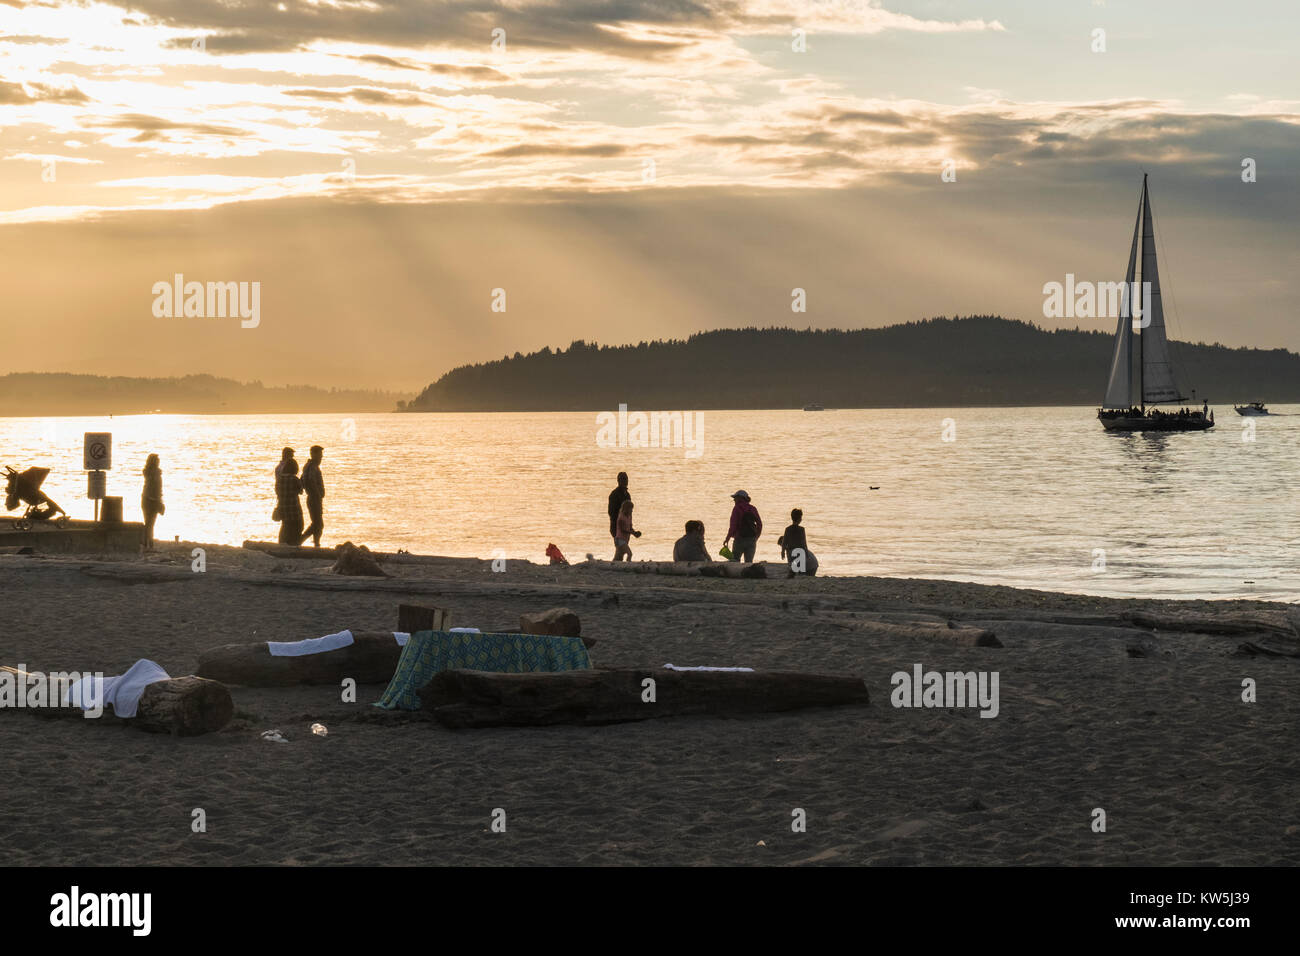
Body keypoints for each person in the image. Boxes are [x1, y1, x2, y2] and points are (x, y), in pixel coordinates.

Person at [274, 447, 304, 545]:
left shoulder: (279, 477)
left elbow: (277, 490)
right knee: (297, 526)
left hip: (283, 504)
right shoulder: (294, 479)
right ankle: (294, 543)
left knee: (285, 526)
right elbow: (301, 491)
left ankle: (282, 544)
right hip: (294, 507)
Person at [723, 490, 762, 563]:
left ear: (740, 498)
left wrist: (727, 538)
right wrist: (756, 536)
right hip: (751, 539)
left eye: (735, 498)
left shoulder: (736, 509)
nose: (734, 500)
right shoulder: (752, 508)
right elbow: (759, 524)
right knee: (749, 562)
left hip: (739, 539)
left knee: (735, 560)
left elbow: (733, 526)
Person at [779, 508, 818, 576]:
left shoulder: (788, 529)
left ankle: (793, 574)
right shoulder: (801, 529)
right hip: (800, 552)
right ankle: (798, 575)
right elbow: (803, 543)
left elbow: (784, 542)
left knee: (794, 569)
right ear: (800, 519)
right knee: (801, 571)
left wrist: (782, 552)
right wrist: (806, 552)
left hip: (792, 552)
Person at [299, 445, 325, 548]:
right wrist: (317, 494)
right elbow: (310, 481)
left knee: (317, 523)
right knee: (318, 523)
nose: (321, 458)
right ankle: (302, 540)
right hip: (314, 498)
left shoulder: (309, 466)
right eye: (319, 455)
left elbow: (302, 480)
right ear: (313, 454)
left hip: (314, 498)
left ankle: (315, 543)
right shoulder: (311, 467)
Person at [140, 454, 164, 550]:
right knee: (150, 523)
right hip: (150, 500)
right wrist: (158, 500)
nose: (159, 462)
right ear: (154, 462)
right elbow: (153, 488)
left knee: (150, 523)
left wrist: (159, 500)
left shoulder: (151, 473)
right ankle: (148, 544)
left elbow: (157, 489)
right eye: (157, 460)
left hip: (149, 499)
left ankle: (148, 543)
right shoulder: (152, 474)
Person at [607, 472, 630, 540]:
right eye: (622, 479)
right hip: (617, 527)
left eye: (626, 479)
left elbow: (629, 512)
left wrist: (630, 527)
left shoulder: (627, 495)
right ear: (618, 481)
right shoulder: (614, 494)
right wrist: (619, 524)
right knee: (622, 547)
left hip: (626, 527)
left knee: (621, 548)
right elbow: (611, 512)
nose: (625, 481)